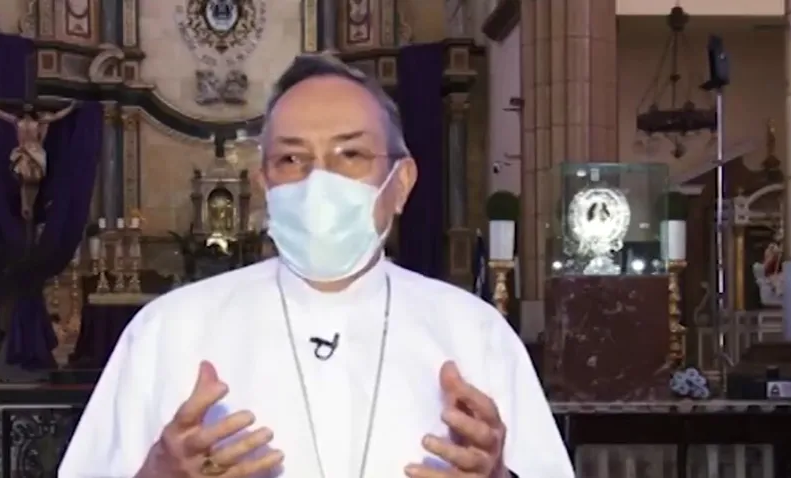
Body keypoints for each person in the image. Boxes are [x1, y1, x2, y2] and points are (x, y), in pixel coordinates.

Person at [58, 53, 573, 478]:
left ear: (401, 183)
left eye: (351, 155)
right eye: (291, 159)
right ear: (264, 184)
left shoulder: (475, 334)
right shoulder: (168, 331)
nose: (319, 182)